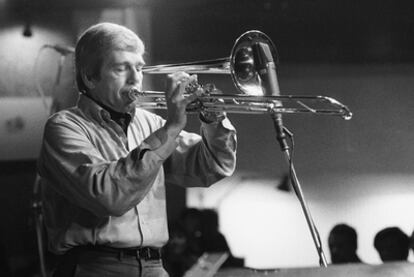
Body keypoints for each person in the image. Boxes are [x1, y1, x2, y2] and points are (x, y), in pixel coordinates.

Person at [37, 22, 237, 277]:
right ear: (90, 76)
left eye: (139, 68)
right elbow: (110, 196)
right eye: (122, 68)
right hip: (96, 267)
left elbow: (210, 168)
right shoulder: (64, 127)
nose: (135, 78)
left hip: (154, 266)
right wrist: (172, 128)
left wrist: (214, 120)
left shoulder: (151, 123)